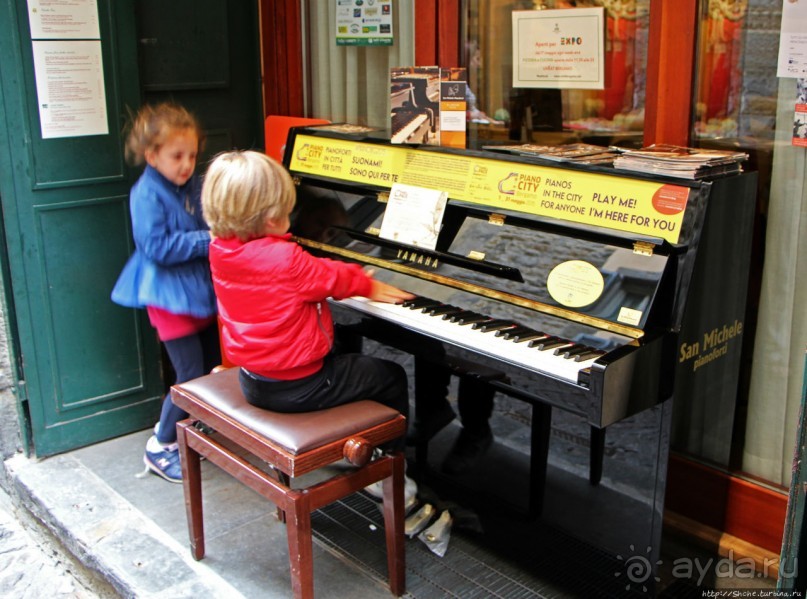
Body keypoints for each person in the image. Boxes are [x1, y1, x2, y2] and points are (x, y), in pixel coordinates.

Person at [200, 150, 417, 469]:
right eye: (289, 212)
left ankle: (353, 441)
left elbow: (308, 271)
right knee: (391, 375)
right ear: (272, 219)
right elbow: (331, 277)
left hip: (255, 381)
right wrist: (367, 284)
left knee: (346, 357)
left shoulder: (221, 249)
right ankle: (386, 465)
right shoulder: (286, 259)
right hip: (301, 387)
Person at [111, 102, 221, 483]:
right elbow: (157, 248)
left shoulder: (188, 184)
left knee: (208, 366)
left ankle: (188, 427)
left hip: (198, 291)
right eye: (177, 156)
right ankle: (161, 444)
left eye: (192, 155)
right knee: (190, 373)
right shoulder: (146, 194)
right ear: (151, 155)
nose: (187, 164)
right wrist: (208, 238)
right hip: (168, 296)